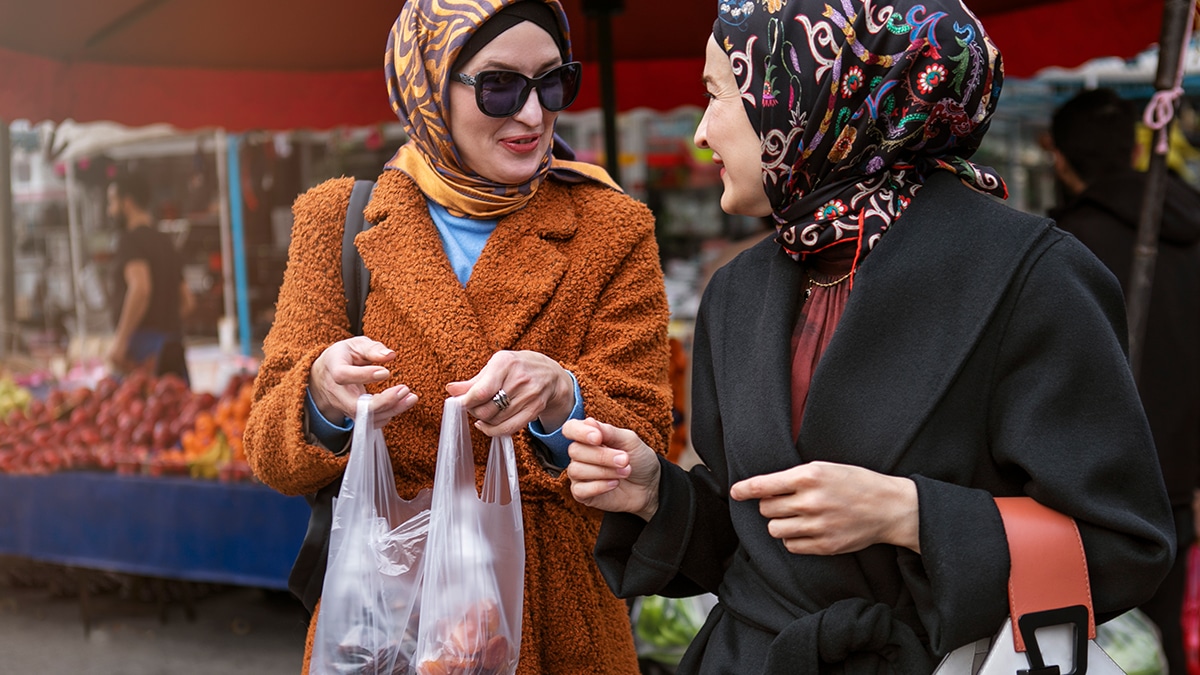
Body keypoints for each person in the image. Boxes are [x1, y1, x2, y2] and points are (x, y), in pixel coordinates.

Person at [562, 1, 1176, 672]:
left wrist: (910, 513)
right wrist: (656, 491)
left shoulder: (1032, 275)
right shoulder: (738, 290)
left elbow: (1124, 543)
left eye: (717, 95)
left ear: (808, 98)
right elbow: (758, 540)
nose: (703, 133)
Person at [242, 1, 673, 673]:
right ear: (429, 84)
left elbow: (647, 443)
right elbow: (271, 449)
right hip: (390, 622)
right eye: (500, 86)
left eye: (553, 82)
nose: (532, 115)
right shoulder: (340, 221)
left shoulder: (611, 228)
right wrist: (322, 396)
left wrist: (566, 402)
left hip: (560, 625)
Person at [1048, 87, 1200, 675]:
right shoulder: (1190, 230)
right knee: (1159, 639)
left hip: (1092, 492)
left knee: (1107, 650)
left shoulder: (1059, 251)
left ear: (1059, 159)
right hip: (1179, 482)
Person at [106, 171, 194, 384]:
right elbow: (188, 302)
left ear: (127, 203)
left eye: (112, 202)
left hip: (141, 354)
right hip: (173, 349)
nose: (110, 211)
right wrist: (165, 325)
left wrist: (121, 341)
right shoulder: (166, 243)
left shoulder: (129, 241)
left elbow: (141, 289)